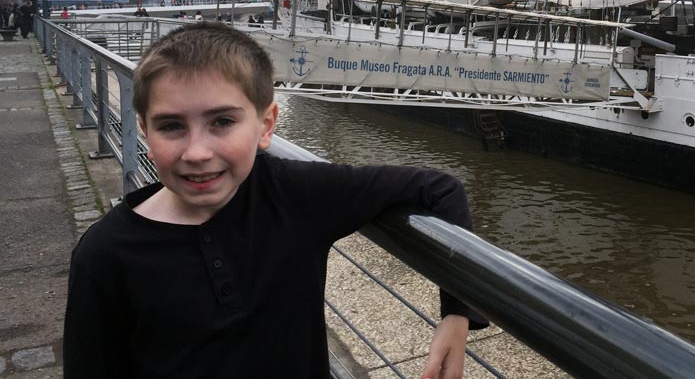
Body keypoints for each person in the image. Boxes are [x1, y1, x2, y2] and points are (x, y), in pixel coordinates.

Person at [63, 22, 485, 378]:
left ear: (266, 125)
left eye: (222, 122)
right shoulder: (106, 255)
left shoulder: (297, 194)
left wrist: (456, 314)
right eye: (172, 126)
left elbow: (441, 188)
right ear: (144, 131)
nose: (196, 152)